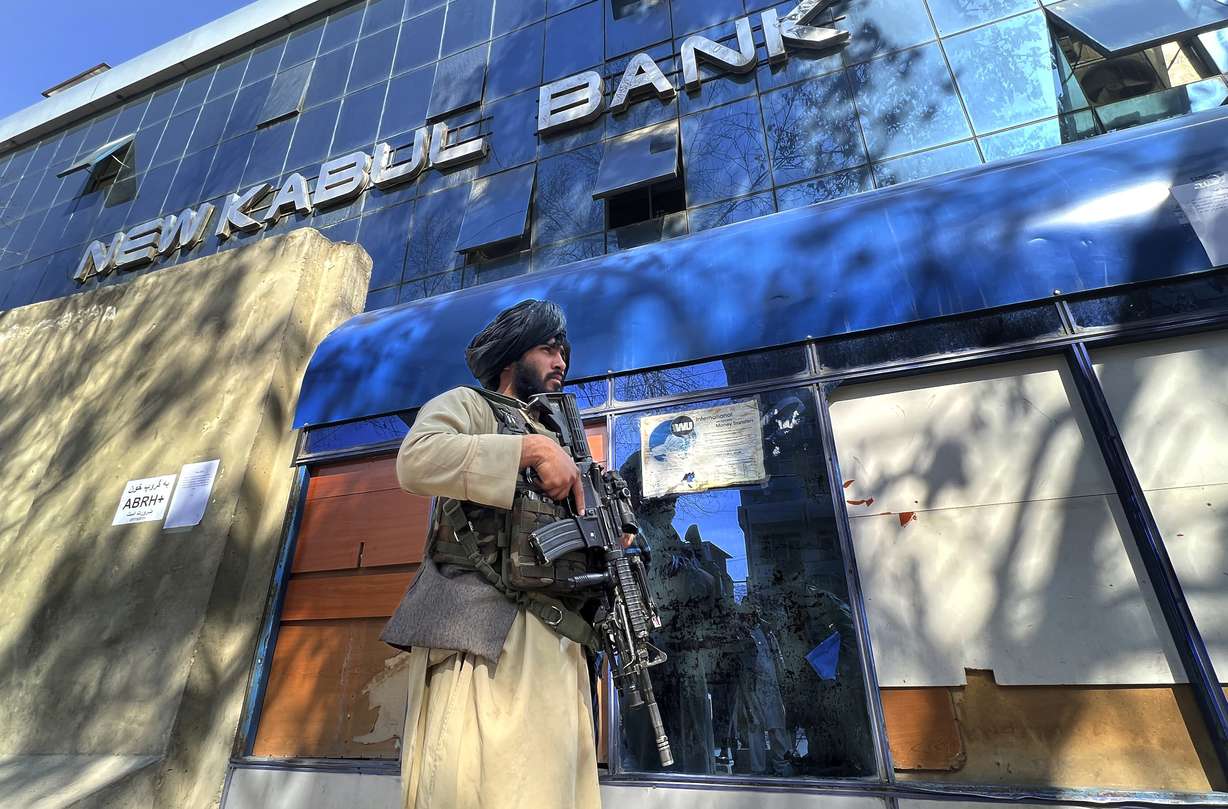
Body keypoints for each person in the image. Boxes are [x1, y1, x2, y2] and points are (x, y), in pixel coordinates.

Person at [380, 300, 601, 809]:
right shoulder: (471, 405)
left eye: (563, 350)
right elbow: (415, 460)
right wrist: (532, 452)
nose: (562, 361)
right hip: (485, 634)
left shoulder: (566, 436)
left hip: (559, 639)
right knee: (479, 782)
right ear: (510, 359)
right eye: (548, 349)